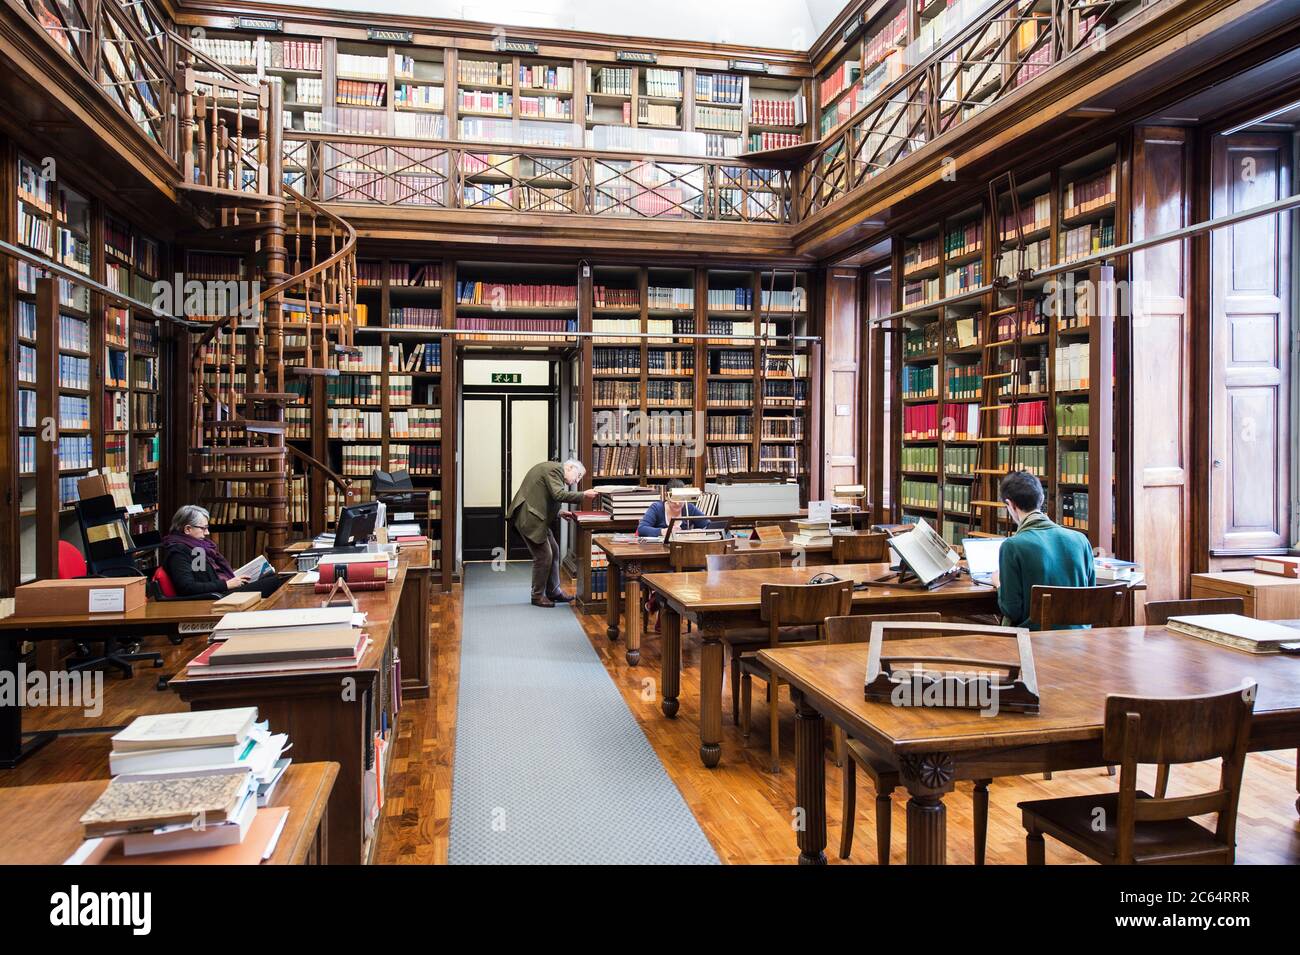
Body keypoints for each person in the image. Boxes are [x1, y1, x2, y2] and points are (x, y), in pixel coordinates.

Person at [993, 470, 1095, 629]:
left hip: (1034, 641)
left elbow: (1012, 610)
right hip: (1079, 640)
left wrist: (999, 583)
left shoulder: (1012, 546)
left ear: (1010, 504)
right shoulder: (1081, 540)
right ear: (1041, 499)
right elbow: (1090, 596)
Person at [508, 459, 597, 607]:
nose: (577, 480)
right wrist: (584, 495)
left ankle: (554, 591)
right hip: (530, 518)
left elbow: (542, 498)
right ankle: (537, 596)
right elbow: (558, 495)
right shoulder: (555, 470)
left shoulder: (553, 471)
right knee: (544, 556)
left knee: (554, 551)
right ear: (569, 467)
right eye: (578, 475)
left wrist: (560, 513)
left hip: (536, 517)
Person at [161, 505, 263, 597]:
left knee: (269, 577)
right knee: (276, 582)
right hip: (218, 595)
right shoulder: (178, 552)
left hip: (223, 589)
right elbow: (188, 587)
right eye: (203, 528)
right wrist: (226, 584)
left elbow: (201, 576)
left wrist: (233, 577)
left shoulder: (196, 547)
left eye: (207, 528)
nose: (207, 533)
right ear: (187, 529)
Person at [636, 479, 708, 537]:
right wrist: (664, 531)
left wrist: (698, 531)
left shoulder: (689, 508)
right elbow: (642, 529)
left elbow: (708, 525)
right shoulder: (656, 508)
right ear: (666, 496)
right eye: (674, 499)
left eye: (680, 499)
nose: (677, 503)